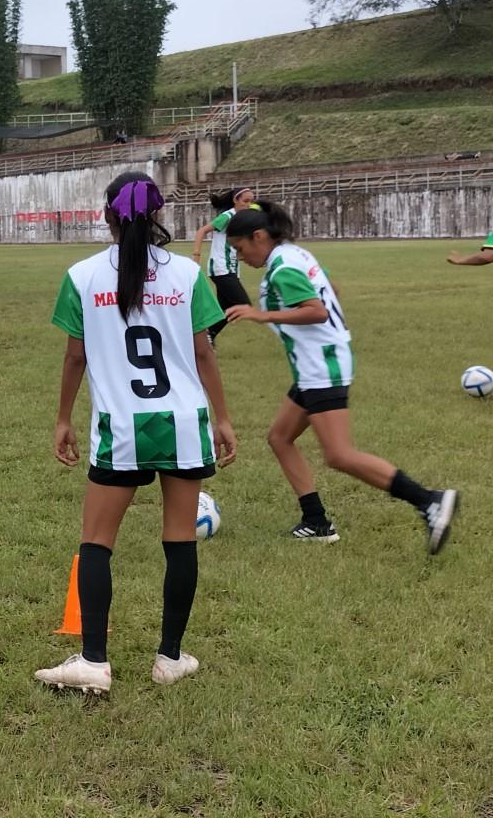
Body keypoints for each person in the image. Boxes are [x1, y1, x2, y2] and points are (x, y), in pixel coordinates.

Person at [35, 173, 237, 696]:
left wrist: (62, 419)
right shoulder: (188, 275)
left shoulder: (81, 276)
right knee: (179, 540)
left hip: (120, 427)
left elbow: (75, 355)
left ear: (107, 215)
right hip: (184, 426)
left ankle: (94, 661)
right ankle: (169, 657)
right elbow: (203, 351)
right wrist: (223, 418)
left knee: (97, 542)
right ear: (157, 218)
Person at [223, 201, 458, 552]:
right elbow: (332, 290)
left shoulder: (282, 266)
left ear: (259, 236)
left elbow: (315, 311)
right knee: (279, 437)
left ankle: (429, 500)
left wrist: (262, 316)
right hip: (316, 362)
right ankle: (316, 522)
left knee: (339, 454)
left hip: (322, 365)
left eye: (240, 249)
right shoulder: (294, 254)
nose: (240, 257)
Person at [191, 187, 254, 346]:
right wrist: (196, 256)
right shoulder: (228, 216)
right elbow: (202, 231)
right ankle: (206, 335)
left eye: (251, 202)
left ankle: (206, 337)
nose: (249, 205)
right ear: (236, 200)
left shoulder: (241, 219)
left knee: (223, 309)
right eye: (246, 201)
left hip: (231, 269)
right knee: (242, 304)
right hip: (221, 269)